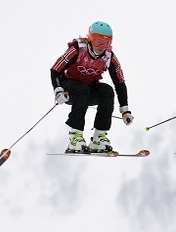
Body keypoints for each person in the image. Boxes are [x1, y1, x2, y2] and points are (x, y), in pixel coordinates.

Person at [50, 21, 134, 153]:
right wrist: (58, 90)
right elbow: (55, 69)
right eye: (98, 41)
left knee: (107, 91)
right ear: (90, 38)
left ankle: (98, 138)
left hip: (89, 90)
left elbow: (120, 82)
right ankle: (75, 137)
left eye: (106, 43)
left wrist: (125, 110)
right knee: (82, 89)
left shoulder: (109, 57)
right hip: (70, 88)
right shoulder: (79, 48)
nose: (101, 46)